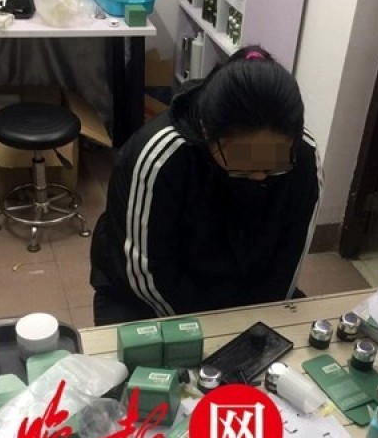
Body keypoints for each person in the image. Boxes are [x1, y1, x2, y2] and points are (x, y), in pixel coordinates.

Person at [89, 46, 322, 326]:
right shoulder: (161, 157)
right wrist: (208, 329)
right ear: (206, 131)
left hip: (246, 287)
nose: (260, 176)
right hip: (148, 295)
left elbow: (288, 262)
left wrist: (256, 322)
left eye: (273, 163)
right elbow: (147, 272)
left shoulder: (302, 156)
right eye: (244, 161)